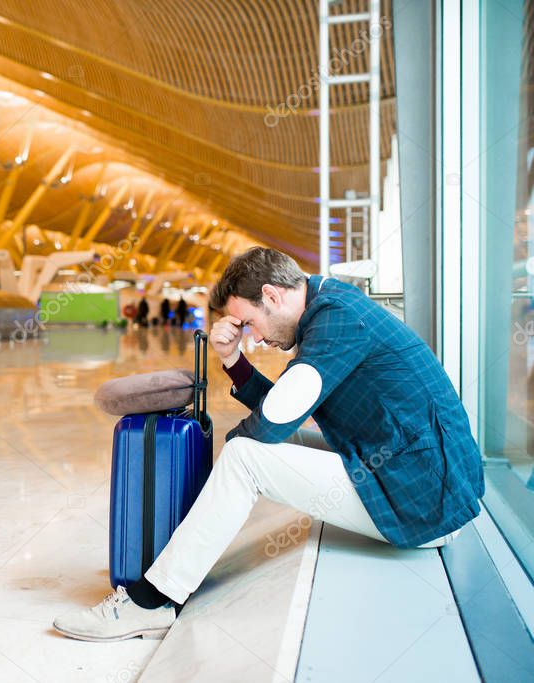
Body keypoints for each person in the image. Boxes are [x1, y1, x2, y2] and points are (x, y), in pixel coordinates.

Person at [53, 247, 484, 642]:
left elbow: (271, 423)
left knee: (244, 457)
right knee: (253, 451)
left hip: (425, 502)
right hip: (423, 478)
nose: (255, 337)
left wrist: (237, 449)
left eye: (251, 323)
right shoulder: (330, 308)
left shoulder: (338, 321)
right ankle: (174, 569)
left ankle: (152, 602)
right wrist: (231, 360)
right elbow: (283, 412)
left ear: (272, 296)